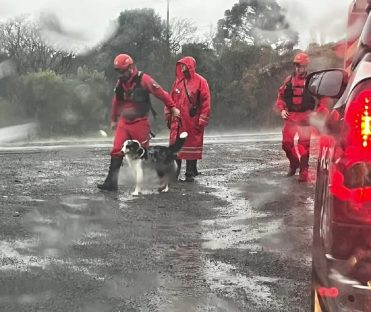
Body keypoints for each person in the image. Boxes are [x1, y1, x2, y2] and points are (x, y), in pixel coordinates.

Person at [98, 53, 180, 191]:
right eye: (118, 71)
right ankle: (111, 183)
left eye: (122, 71)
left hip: (140, 122)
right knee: (117, 150)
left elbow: (160, 93)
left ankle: (160, 182)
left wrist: (172, 107)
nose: (121, 74)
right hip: (124, 122)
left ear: (130, 67)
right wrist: (113, 119)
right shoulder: (120, 84)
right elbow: (116, 102)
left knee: (145, 154)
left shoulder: (144, 79)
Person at [165, 56, 211, 182]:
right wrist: (168, 115)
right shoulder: (178, 82)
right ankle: (174, 173)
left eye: (184, 64)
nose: (182, 67)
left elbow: (206, 101)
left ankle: (191, 171)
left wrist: (202, 119)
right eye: (180, 65)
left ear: (190, 66)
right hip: (177, 121)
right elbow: (170, 99)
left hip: (192, 121)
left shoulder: (201, 81)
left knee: (191, 145)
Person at [275, 52, 316, 182]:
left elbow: (321, 98)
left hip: (305, 117)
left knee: (304, 145)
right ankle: (294, 163)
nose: (298, 68)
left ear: (306, 66)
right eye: (296, 65)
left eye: (301, 65)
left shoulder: (312, 80)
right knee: (286, 144)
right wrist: (282, 110)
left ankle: (304, 171)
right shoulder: (289, 80)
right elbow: (280, 96)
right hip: (291, 116)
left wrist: (317, 113)